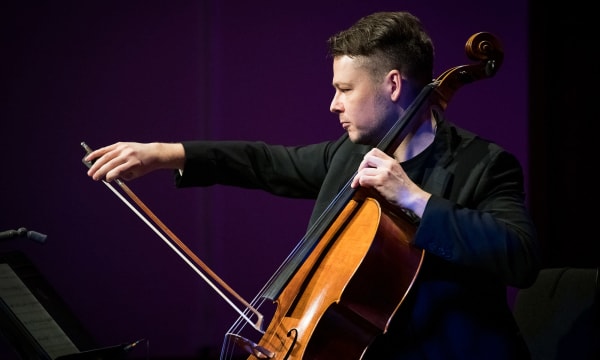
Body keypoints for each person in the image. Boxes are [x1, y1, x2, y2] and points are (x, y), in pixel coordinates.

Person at [85, 11, 540, 360]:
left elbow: (520, 257)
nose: (333, 104)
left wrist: (415, 200)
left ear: (393, 84)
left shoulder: (483, 164)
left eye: (345, 89)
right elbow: (265, 162)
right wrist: (166, 154)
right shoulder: (350, 155)